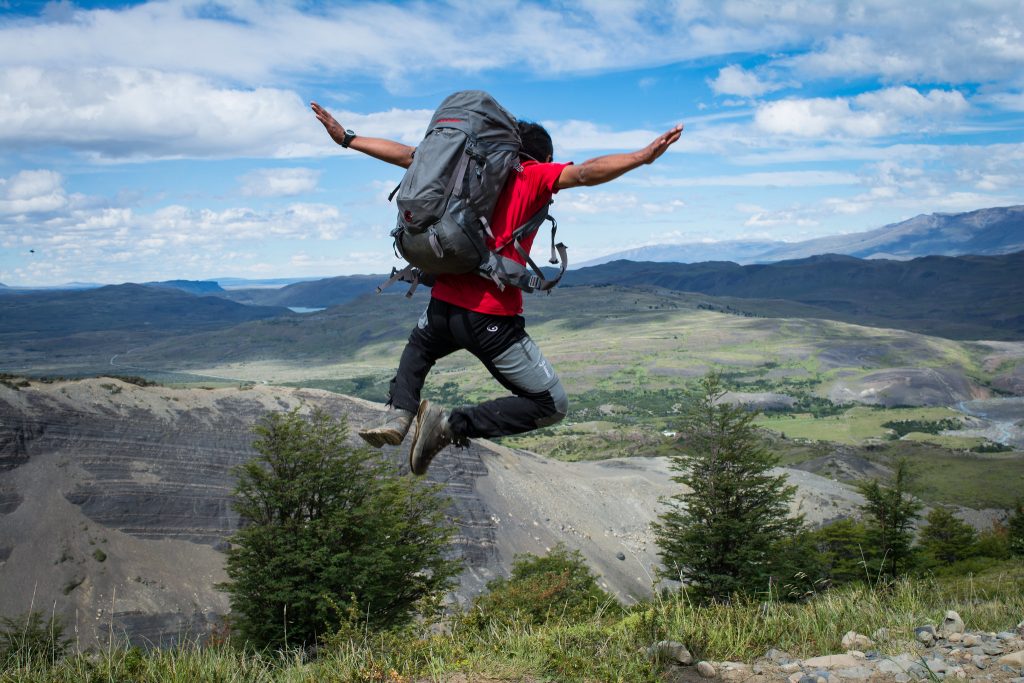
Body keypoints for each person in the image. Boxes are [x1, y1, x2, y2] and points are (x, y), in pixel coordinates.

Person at [311, 99, 682, 475]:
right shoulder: (532, 174)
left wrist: (347, 138)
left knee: (419, 349)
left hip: (441, 307)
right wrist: (642, 157)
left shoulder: (461, 168)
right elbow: (586, 172)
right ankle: (451, 425)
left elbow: (407, 155)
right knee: (550, 405)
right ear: (542, 156)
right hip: (489, 316)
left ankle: (399, 413)